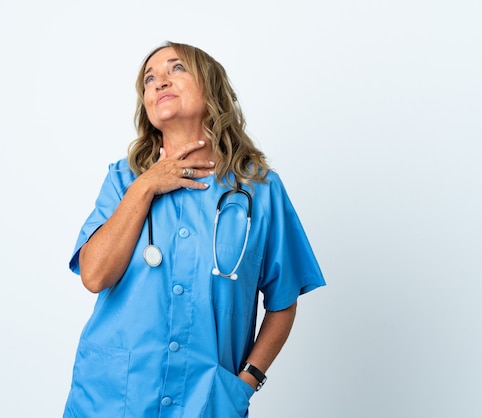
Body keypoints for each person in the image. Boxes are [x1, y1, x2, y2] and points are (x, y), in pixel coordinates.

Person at [64, 41, 326, 417]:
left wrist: (246, 382)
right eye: (149, 78)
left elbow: (283, 301)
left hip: (206, 402)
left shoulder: (261, 190)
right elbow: (94, 274)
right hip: (111, 398)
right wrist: (146, 185)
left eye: (176, 68)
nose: (159, 81)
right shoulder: (123, 180)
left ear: (212, 89)